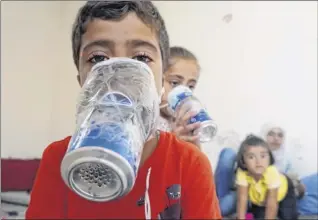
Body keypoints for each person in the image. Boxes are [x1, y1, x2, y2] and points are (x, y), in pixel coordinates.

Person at [25, 1, 221, 219]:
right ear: (82, 80)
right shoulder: (57, 160)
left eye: (141, 58)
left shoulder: (190, 164)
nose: (121, 74)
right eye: (98, 58)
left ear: (162, 79)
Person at [236, 135, 298, 220]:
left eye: (263, 156)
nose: (258, 161)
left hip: (283, 190)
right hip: (261, 199)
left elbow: (272, 202)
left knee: (287, 216)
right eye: (251, 157)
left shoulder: (271, 172)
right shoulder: (242, 172)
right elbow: (242, 199)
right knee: (257, 216)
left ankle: (297, 188)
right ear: (243, 162)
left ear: (269, 158)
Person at [157, 46, 201, 146]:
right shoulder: (148, 122)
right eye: (175, 83)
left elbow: (196, 160)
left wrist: (195, 145)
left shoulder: (184, 122)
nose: (183, 93)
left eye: (190, 86)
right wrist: (173, 142)